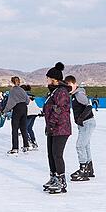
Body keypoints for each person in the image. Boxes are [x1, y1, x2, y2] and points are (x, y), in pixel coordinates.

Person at [43, 62, 72, 194]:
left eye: (48, 78)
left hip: (61, 128)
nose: (47, 80)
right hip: (52, 128)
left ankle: (61, 181)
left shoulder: (61, 92)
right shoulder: (54, 91)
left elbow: (59, 110)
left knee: (57, 154)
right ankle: (54, 177)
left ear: (54, 80)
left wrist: (52, 124)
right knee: (51, 154)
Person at [67, 75, 95, 181]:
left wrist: (81, 118)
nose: (68, 87)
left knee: (80, 146)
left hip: (87, 122)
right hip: (83, 124)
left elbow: (89, 105)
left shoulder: (78, 94)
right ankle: (89, 169)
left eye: (70, 85)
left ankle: (83, 169)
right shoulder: (74, 95)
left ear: (75, 84)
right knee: (85, 146)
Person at [4, 76, 30, 155]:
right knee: (23, 128)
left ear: (12, 82)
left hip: (17, 108)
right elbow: (28, 100)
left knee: (15, 129)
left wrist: (5, 110)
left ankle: (15, 148)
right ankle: (26, 145)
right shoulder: (22, 90)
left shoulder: (12, 90)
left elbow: (11, 102)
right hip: (24, 108)